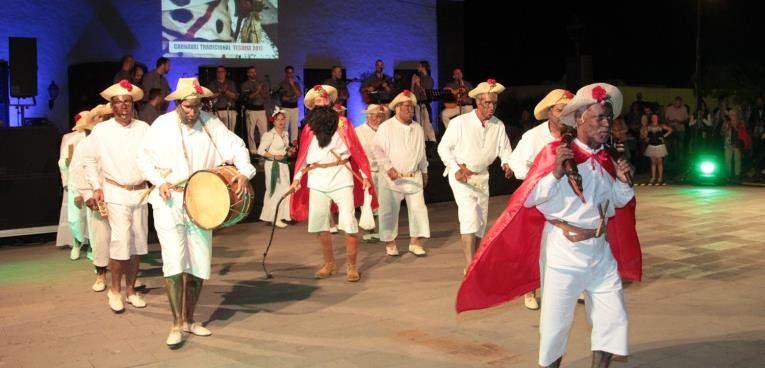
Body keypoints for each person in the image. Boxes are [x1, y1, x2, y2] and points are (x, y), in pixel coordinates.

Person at [456, 83, 642, 368]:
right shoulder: (555, 153)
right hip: (563, 252)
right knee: (556, 325)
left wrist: (622, 181)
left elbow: (616, 203)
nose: (607, 124)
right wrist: (555, 173)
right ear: (579, 118)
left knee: (613, 317)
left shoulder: (607, 158)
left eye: (608, 118)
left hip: (600, 251)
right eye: (599, 118)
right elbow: (530, 200)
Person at [138, 77, 255, 347]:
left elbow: (237, 147)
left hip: (203, 202)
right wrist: (158, 181)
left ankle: (190, 319)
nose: (193, 112)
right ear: (178, 103)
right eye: (188, 107)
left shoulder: (210, 123)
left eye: (197, 106)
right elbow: (143, 158)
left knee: (199, 263)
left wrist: (245, 172)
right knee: (174, 262)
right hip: (170, 203)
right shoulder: (162, 125)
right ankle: (176, 323)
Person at [289, 85, 377, 282]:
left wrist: (364, 175)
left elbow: (356, 151)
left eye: (325, 100)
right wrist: (296, 180)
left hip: (341, 176)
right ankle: (329, 264)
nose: (322, 103)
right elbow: (303, 157)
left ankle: (351, 267)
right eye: (318, 101)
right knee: (320, 224)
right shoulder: (308, 129)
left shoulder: (343, 124)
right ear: (312, 105)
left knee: (348, 222)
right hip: (317, 178)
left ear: (330, 102)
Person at [82, 80, 150, 313]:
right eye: (118, 103)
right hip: (115, 192)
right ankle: (115, 290)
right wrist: (95, 186)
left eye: (127, 102)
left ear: (133, 105)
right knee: (120, 243)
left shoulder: (144, 128)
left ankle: (131, 290)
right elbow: (88, 159)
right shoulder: (102, 130)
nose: (123, 107)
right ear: (112, 106)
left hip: (140, 193)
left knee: (138, 243)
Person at [437, 79, 513, 273]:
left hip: (482, 178)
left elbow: (505, 149)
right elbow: (443, 148)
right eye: (488, 102)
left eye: (494, 103)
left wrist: (507, 163)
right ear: (478, 102)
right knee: (469, 216)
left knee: (480, 222)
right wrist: (455, 168)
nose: (492, 107)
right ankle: (469, 266)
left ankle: (476, 261)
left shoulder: (498, 125)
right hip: (461, 178)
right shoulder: (459, 123)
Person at [508, 88, 573, 310]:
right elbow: (516, 162)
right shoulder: (533, 136)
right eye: (559, 110)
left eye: (568, 111)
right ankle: (530, 290)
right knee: (533, 246)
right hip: (539, 199)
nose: (564, 115)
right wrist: (534, 179)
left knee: (566, 242)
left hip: (566, 201)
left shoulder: (575, 136)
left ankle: (573, 287)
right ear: (548, 112)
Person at [373, 90, 430, 256]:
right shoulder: (386, 127)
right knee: (389, 211)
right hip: (393, 177)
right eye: (407, 107)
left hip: (414, 176)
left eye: (412, 107)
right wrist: (388, 166)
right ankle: (390, 243)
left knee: (419, 209)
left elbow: (422, 152)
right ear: (397, 108)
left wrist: (425, 171)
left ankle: (415, 242)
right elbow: (377, 149)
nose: (411, 110)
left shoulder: (417, 127)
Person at [70, 104, 114, 292]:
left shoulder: (115, 141)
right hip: (99, 196)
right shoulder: (86, 144)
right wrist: (86, 195)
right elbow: (77, 170)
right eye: (104, 118)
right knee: (100, 236)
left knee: (123, 236)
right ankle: (101, 274)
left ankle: (128, 275)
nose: (108, 121)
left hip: (118, 193)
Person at [56, 112, 90, 259]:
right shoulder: (72, 139)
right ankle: (77, 243)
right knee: (75, 217)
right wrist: (66, 178)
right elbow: (62, 162)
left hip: (93, 182)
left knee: (93, 218)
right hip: (76, 181)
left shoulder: (98, 139)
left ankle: (93, 248)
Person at [355, 104, 388, 241]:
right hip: (366, 171)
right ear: (368, 116)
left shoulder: (385, 130)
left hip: (383, 170)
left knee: (384, 202)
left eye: (380, 116)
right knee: (367, 201)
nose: (378, 118)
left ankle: (384, 230)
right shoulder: (358, 131)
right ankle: (370, 230)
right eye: (375, 115)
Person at [258, 108, 295, 228]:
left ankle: (280, 215)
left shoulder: (285, 134)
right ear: (273, 121)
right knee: (275, 190)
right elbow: (260, 150)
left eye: (282, 119)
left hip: (283, 165)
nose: (281, 122)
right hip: (273, 166)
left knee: (285, 189)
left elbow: (285, 150)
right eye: (278, 120)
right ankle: (275, 217)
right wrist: (274, 157)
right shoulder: (269, 135)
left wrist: (290, 151)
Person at [241, 66, 270, 153]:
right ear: (248, 74)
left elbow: (265, 96)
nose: (253, 74)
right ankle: (253, 150)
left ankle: (263, 150)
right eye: (251, 72)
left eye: (254, 72)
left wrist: (260, 90)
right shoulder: (245, 84)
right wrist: (257, 90)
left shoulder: (261, 83)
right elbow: (248, 97)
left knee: (264, 132)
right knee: (251, 132)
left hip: (261, 109)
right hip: (251, 110)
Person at [640, 113, 672, 185]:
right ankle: (653, 177)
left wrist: (663, 136)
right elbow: (642, 132)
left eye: (655, 117)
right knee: (653, 162)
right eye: (653, 117)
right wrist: (646, 137)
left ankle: (660, 177)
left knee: (659, 162)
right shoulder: (649, 126)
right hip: (651, 145)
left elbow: (670, 130)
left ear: (658, 118)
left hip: (659, 146)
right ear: (651, 118)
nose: (654, 119)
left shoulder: (661, 126)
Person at [206, 65, 239, 131]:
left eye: (222, 71)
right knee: (216, 132)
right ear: (216, 73)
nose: (220, 73)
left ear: (225, 73)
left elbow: (235, 96)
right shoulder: (212, 83)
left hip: (229, 111)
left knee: (230, 132)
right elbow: (209, 96)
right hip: (216, 111)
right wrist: (219, 91)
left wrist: (226, 91)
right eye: (218, 72)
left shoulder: (230, 83)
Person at [275, 65, 302, 142]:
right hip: (285, 108)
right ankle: (284, 145)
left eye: (292, 73)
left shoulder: (296, 84)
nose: (290, 74)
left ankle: (294, 146)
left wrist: (292, 85)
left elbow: (299, 94)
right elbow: (283, 98)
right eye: (288, 73)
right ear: (286, 73)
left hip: (295, 108)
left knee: (294, 128)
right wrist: (293, 96)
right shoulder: (282, 84)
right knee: (285, 128)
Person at [411, 61, 436, 143]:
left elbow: (426, 93)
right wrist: (413, 83)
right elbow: (412, 92)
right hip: (417, 103)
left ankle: (432, 141)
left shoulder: (429, 79)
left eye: (419, 66)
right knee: (419, 123)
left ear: (423, 67)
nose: (417, 68)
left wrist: (418, 83)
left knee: (427, 123)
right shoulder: (419, 78)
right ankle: (423, 141)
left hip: (425, 103)